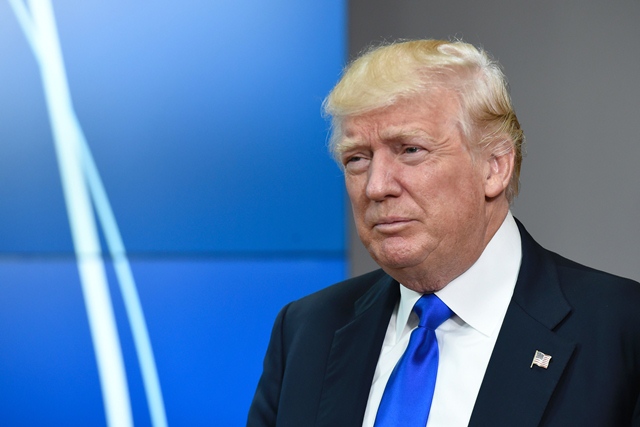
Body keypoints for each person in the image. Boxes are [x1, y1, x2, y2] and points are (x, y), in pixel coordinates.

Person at [247, 39, 640, 426]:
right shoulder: (307, 330)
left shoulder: (621, 327)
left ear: (495, 167)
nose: (376, 186)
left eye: (410, 150)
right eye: (357, 159)